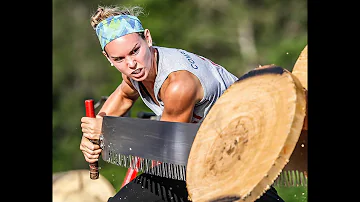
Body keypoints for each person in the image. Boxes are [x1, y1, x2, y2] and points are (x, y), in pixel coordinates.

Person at [79, 5, 285, 202]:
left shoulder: (179, 84)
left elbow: (165, 148)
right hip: (208, 154)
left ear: (148, 38)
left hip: (243, 151)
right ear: (108, 58)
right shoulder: (135, 73)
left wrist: (107, 131)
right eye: (119, 59)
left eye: (135, 51)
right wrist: (92, 136)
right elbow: (124, 97)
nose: (131, 64)